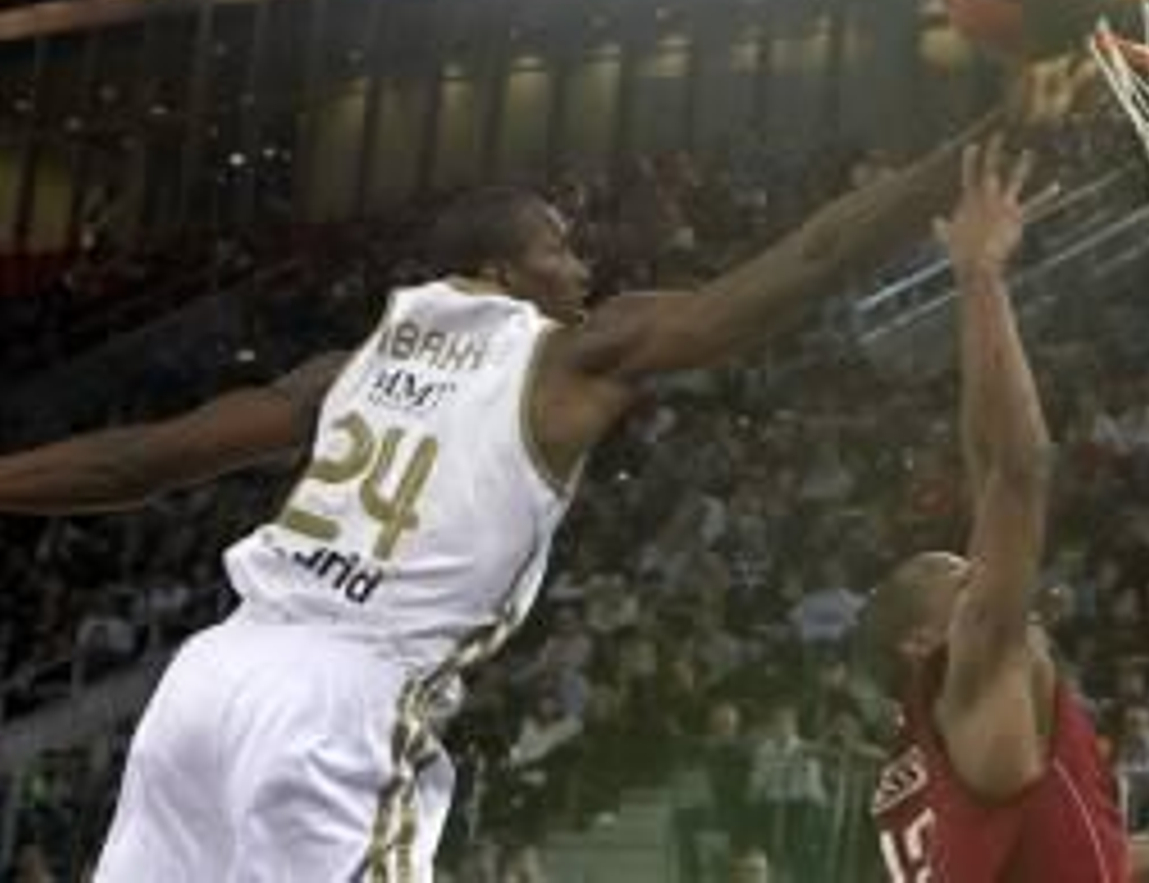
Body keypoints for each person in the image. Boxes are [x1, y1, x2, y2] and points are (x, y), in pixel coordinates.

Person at [0, 62, 1089, 881]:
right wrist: (972, 150)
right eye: (558, 244)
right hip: (343, 696)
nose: (582, 263)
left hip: (208, 679)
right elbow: (802, 262)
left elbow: (131, 460)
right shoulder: (570, 351)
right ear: (494, 269)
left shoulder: (341, 369)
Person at [857, 139, 1149, 882]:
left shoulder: (932, 752)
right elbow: (1019, 465)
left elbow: (1059, 859)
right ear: (921, 641)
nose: (978, 568)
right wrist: (979, 276)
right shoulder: (976, 670)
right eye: (956, 573)